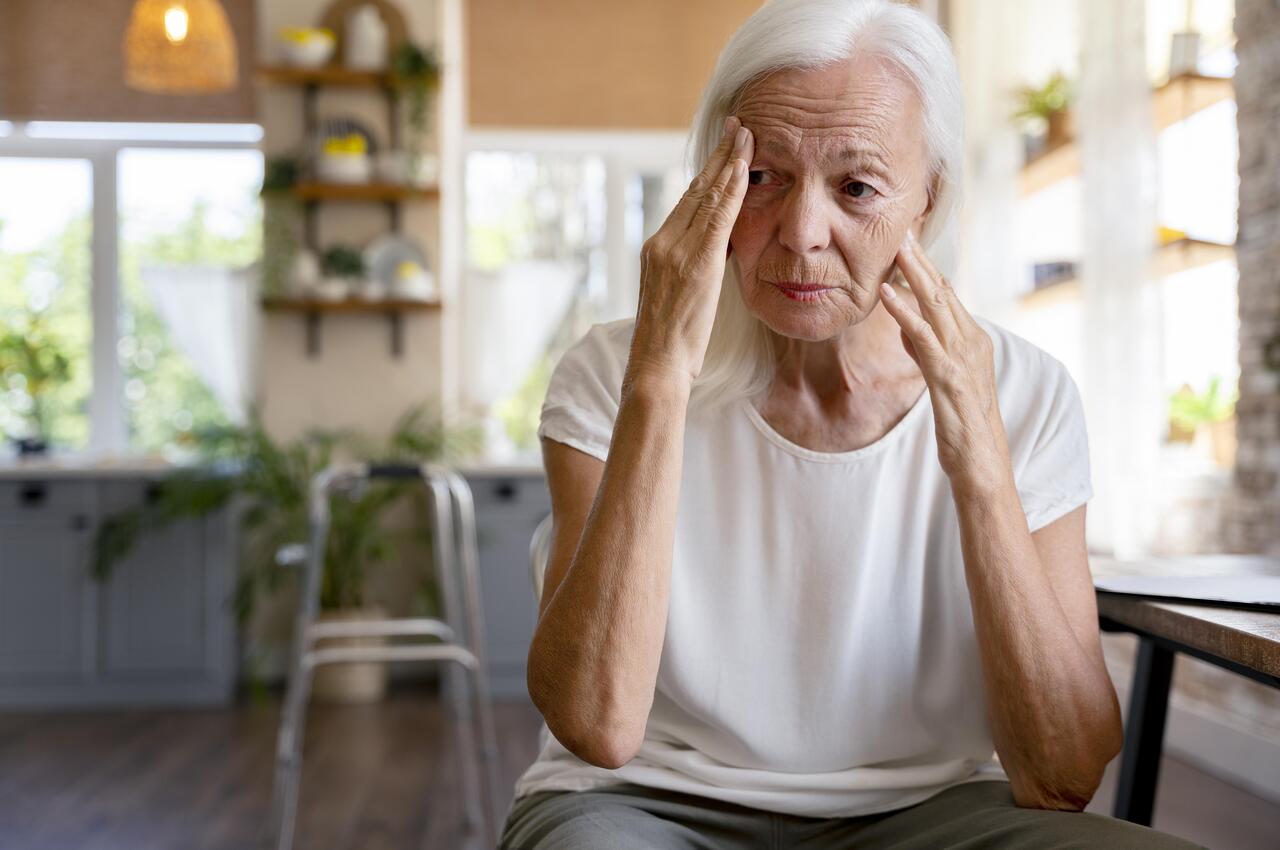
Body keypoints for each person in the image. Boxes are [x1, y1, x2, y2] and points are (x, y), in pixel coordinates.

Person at [501, 1, 1202, 847]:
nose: (801, 235)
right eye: (761, 178)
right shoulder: (614, 372)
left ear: (927, 201)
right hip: (640, 801)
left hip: (930, 812)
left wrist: (978, 448)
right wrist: (659, 379)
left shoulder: (1026, 394)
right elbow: (597, 725)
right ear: (709, 183)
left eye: (858, 186)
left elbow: (1063, 773)